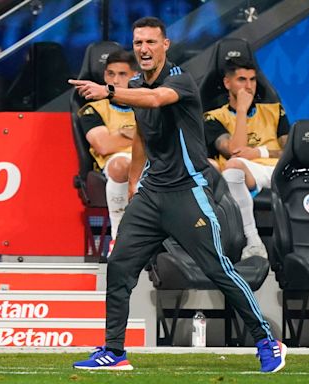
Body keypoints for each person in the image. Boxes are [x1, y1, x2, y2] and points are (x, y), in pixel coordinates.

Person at [68, 17, 287, 373]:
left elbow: (155, 100)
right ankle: (114, 350)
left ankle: (266, 340)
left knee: (218, 269)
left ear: (165, 45)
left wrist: (108, 91)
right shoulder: (136, 84)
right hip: (153, 193)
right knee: (120, 264)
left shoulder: (180, 81)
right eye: (139, 42)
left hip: (189, 192)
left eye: (151, 42)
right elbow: (142, 134)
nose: (144, 49)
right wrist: (136, 182)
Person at [204, 57, 289, 259]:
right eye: (242, 80)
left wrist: (261, 152)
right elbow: (235, 149)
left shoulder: (274, 110)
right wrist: (241, 109)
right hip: (244, 174)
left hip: (277, 169)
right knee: (233, 166)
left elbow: (291, 151)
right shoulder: (213, 117)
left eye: (252, 80)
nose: (249, 86)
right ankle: (253, 241)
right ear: (227, 83)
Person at [78, 49, 138, 251]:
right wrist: (141, 134)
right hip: (114, 165)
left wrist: (123, 135)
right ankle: (118, 238)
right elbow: (104, 145)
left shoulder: (146, 106)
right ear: (104, 76)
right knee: (123, 164)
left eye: (122, 74)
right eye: (110, 74)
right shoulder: (93, 109)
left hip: (148, 160)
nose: (115, 79)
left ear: (135, 76)